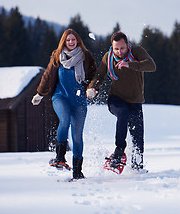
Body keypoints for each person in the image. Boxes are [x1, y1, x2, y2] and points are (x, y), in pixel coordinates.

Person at [31, 28, 96, 181]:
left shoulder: (86, 57)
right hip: (60, 97)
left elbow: (94, 76)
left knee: (77, 136)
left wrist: (93, 88)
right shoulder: (57, 57)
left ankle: (77, 172)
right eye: (68, 40)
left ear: (78, 41)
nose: (71, 42)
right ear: (64, 42)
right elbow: (47, 75)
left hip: (79, 101)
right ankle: (59, 157)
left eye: (73, 40)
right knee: (64, 121)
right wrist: (40, 94)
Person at [86, 31, 156, 171]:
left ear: (127, 45)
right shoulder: (109, 56)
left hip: (135, 101)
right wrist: (92, 88)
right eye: (116, 48)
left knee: (138, 138)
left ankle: (137, 168)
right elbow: (100, 75)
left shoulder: (136, 51)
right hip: (116, 99)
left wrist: (130, 64)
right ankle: (118, 153)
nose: (119, 51)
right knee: (123, 113)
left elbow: (151, 65)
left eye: (122, 48)